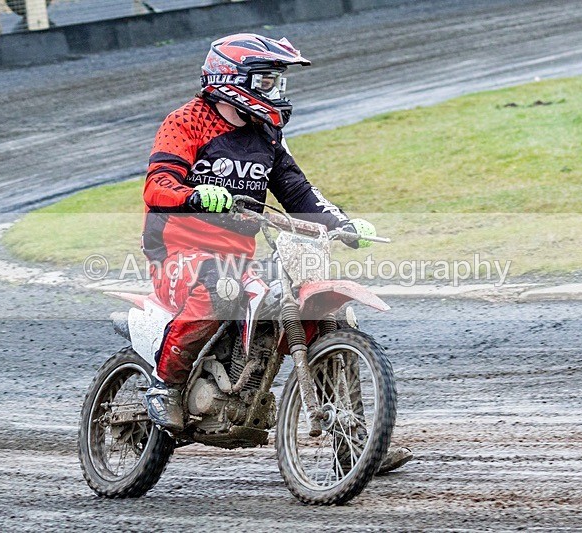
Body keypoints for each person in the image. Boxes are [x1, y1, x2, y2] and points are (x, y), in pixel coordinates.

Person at [142, 33, 412, 473]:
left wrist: (342, 224)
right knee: (217, 288)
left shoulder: (267, 135)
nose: (276, 90)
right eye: (267, 81)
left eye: (278, 82)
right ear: (233, 79)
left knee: (322, 315)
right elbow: (157, 186)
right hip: (178, 248)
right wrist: (195, 195)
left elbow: (299, 192)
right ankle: (165, 387)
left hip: (238, 255)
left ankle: (354, 443)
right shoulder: (186, 121)